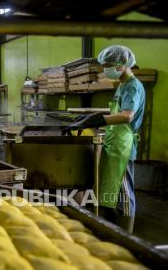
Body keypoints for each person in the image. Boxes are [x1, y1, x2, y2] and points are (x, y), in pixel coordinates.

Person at [64, 45, 145, 233]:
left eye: (108, 65)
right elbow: (115, 111)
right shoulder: (123, 84)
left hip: (123, 146)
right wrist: (87, 118)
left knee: (124, 192)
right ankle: (111, 228)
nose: (105, 69)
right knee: (110, 188)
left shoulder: (133, 86)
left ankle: (127, 235)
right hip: (114, 141)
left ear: (123, 64)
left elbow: (127, 116)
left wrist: (96, 120)